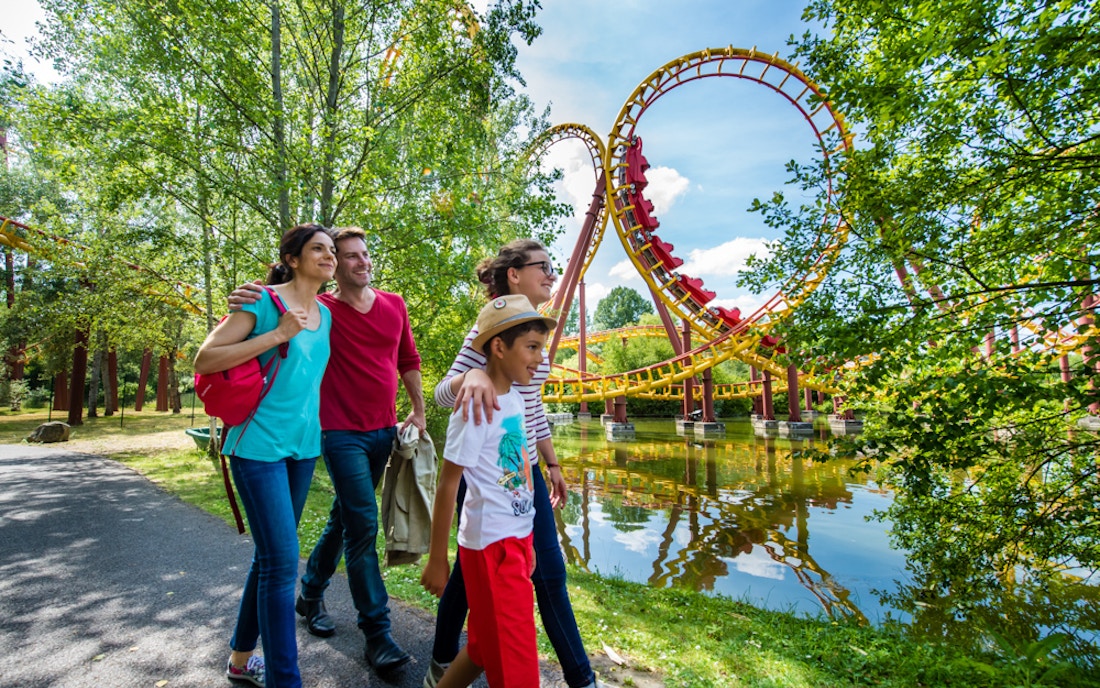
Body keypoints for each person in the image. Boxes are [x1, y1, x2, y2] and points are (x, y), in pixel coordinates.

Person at [230, 226, 425, 676]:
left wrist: (417, 410)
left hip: (383, 430)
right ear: (334, 263)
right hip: (337, 433)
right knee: (363, 523)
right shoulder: (323, 309)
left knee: (345, 516)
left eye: (364, 254)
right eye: (348, 255)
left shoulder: (394, 305)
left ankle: (312, 590)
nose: (361, 262)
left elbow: (407, 360)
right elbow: (281, 303)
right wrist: (249, 298)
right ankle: (377, 634)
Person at [426, 239, 601, 688]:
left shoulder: (532, 337)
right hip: (486, 461)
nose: (551, 274)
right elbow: (444, 393)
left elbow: (531, 405)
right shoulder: (497, 331)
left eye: (552, 266)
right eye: (542, 266)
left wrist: (553, 464)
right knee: (537, 572)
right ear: (513, 275)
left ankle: (444, 660)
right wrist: (474, 374)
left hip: (519, 463)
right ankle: (580, 677)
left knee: (477, 579)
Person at [195, 223, 336, 688]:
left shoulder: (327, 314)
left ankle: (240, 661)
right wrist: (277, 334)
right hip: (256, 447)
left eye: (332, 250)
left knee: (268, 559)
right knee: (281, 561)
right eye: (318, 249)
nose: (329, 256)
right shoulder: (262, 301)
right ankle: (285, 679)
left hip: (302, 448)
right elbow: (206, 359)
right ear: (293, 259)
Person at [421, 294, 557, 688]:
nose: (539, 358)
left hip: (514, 540)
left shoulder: (515, 398)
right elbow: (448, 485)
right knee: (518, 670)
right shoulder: (474, 406)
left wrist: (527, 536)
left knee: (482, 648)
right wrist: (436, 559)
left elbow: (520, 474)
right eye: (531, 348)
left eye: (540, 349)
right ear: (499, 347)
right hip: (492, 548)